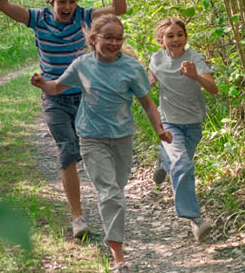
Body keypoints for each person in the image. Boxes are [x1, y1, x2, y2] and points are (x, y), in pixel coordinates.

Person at [0, 0, 127, 241]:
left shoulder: (85, 17)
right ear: (50, 1)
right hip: (54, 97)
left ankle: (111, 205)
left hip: (87, 98)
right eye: (61, 2)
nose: (66, 7)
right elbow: (1, 4)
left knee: (98, 151)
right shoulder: (37, 19)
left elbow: (119, 9)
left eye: (71, 1)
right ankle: (78, 218)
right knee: (67, 152)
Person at [31, 15, 172, 273]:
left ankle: (112, 235)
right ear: (94, 39)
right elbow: (56, 88)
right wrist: (43, 84)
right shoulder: (81, 66)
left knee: (116, 189)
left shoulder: (131, 68)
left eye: (119, 38)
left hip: (122, 138)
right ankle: (118, 257)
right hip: (91, 137)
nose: (114, 43)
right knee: (111, 193)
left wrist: (159, 129)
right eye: (108, 38)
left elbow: (147, 103)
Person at [146, 17, 218, 242]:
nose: (175, 39)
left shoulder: (194, 57)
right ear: (161, 40)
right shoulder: (156, 59)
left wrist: (195, 76)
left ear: (186, 38)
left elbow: (214, 89)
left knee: (180, 164)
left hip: (193, 124)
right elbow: (148, 82)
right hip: (169, 122)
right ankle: (195, 220)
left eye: (180, 34)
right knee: (183, 165)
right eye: (170, 35)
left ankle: (163, 159)